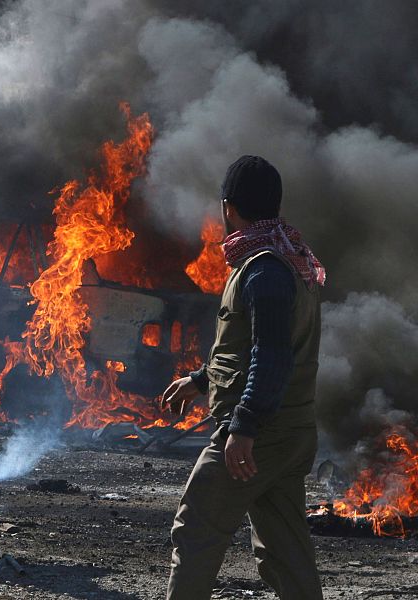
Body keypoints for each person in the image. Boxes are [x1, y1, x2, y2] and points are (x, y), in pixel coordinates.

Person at [162, 155, 326, 599]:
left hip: (262, 433)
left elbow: (271, 356)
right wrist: (200, 380)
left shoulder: (265, 271)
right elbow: (259, 345)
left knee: (196, 526)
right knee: (285, 549)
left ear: (228, 207)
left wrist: (244, 427)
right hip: (291, 431)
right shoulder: (288, 261)